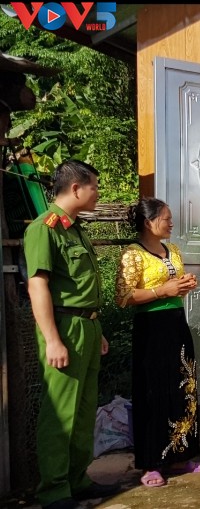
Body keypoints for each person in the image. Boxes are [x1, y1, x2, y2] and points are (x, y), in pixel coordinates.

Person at [23, 159, 120, 509]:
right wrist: (52, 339)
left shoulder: (75, 229)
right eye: (94, 186)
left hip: (87, 327)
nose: (98, 193)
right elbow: (38, 285)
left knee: (83, 409)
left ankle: (77, 480)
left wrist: (96, 327)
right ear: (76, 188)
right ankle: (54, 489)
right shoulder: (44, 228)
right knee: (60, 413)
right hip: (63, 327)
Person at [114, 197, 200, 487]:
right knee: (152, 391)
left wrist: (183, 286)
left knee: (183, 388)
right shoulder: (133, 254)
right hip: (151, 329)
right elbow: (123, 297)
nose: (171, 223)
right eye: (166, 218)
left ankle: (181, 456)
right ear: (149, 222)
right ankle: (151, 464)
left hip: (176, 324)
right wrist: (162, 291)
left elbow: (173, 289)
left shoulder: (173, 250)